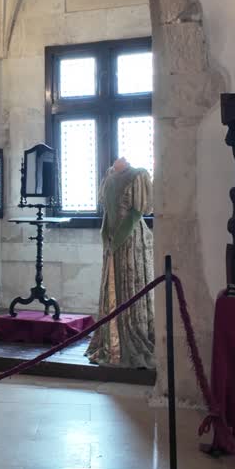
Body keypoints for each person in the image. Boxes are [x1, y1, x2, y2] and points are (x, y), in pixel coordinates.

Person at [87, 157, 155, 368]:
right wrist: (108, 238)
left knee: (131, 283)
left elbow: (136, 213)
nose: (119, 160)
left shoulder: (138, 175)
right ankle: (111, 338)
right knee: (113, 285)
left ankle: (133, 333)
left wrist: (118, 239)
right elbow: (107, 211)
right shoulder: (109, 177)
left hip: (131, 237)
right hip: (111, 237)